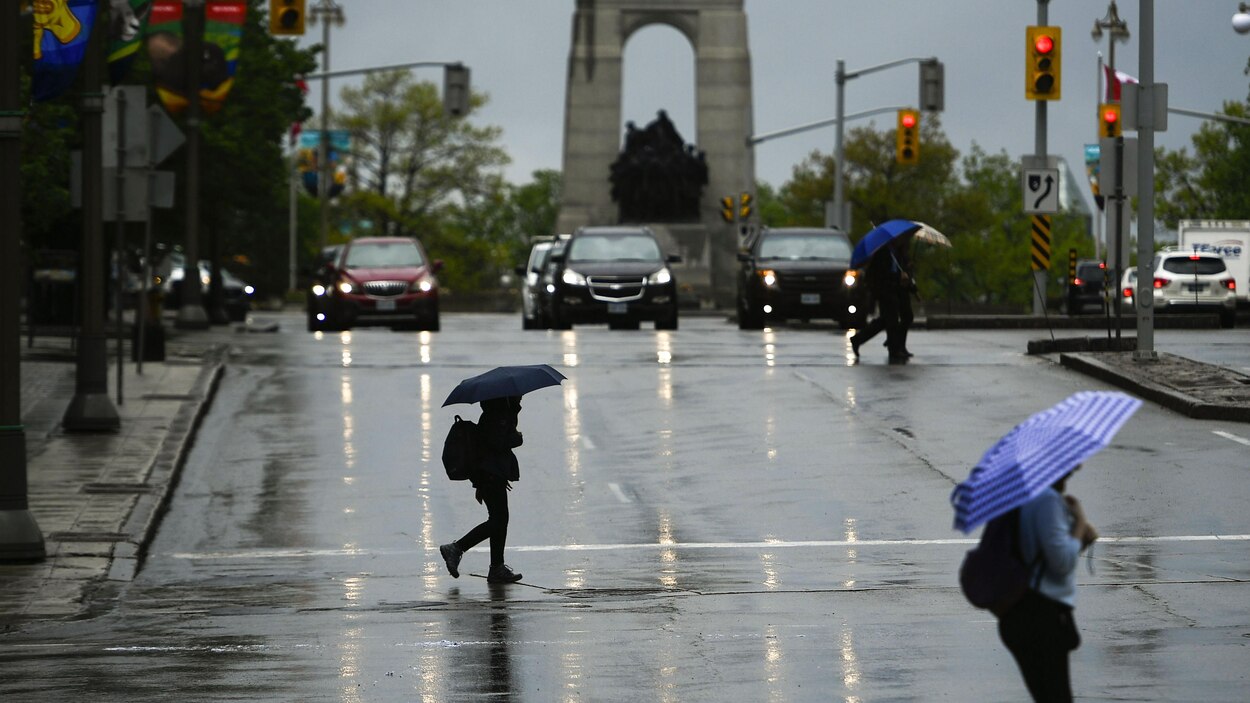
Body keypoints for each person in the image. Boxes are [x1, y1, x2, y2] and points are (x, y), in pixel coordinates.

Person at [999, 466, 1098, 702]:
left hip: (1018, 612)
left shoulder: (1023, 498)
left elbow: (1039, 556)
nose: (1071, 476)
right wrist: (1081, 525)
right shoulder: (1047, 501)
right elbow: (1061, 563)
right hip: (1041, 616)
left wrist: (1078, 538)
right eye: (1068, 471)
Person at [440, 395, 525, 584]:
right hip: (490, 473)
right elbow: (496, 442)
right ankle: (457, 548)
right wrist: (517, 438)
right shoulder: (499, 412)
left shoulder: (501, 410)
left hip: (491, 472)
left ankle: (497, 568)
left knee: (499, 519)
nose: (522, 395)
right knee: (498, 520)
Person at [850, 233, 915, 362]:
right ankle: (894, 348)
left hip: (896, 289)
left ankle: (893, 344)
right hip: (884, 290)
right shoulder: (883, 252)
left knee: (890, 319)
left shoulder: (899, 252)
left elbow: (903, 269)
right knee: (890, 319)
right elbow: (881, 274)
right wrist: (898, 278)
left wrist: (907, 277)